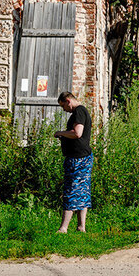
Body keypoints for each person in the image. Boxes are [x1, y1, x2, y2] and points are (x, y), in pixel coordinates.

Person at [54, 91, 92, 233]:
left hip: (78, 159)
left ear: (68, 101)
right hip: (82, 157)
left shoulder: (79, 112)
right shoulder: (80, 111)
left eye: (63, 106)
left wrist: (61, 133)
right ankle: (81, 227)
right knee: (82, 191)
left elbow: (77, 133)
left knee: (71, 190)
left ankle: (63, 228)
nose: (64, 110)